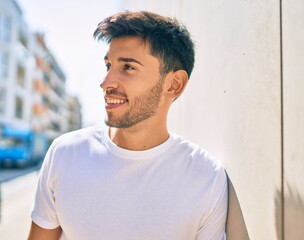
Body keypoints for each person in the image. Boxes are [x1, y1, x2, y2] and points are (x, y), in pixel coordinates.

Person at [28, 10, 228, 240]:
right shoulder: (64, 153)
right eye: (108, 66)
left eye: (128, 67)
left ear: (173, 84)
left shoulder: (206, 178)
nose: (105, 83)